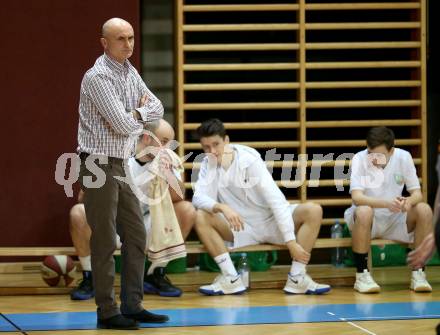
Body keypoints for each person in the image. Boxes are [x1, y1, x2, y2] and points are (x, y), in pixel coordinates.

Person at [77, 17, 168, 329]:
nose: (128, 44)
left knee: (136, 233)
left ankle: (132, 304)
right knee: (104, 239)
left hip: (120, 163)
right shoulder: (98, 77)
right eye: (120, 39)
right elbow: (123, 125)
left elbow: (158, 107)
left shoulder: (130, 72)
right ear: (104, 42)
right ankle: (106, 311)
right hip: (96, 163)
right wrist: (138, 115)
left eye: (130, 38)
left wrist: (136, 113)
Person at [192, 118, 331, 295]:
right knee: (201, 215)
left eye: (216, 144)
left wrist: (291, 242)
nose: (212, 151)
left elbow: (277, 201)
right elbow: (198, 198)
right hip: (241, 228)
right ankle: (230, 278)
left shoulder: (249, 159)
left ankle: (297, 277)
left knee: (313, 210)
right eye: (206, 147)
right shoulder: (207, 164)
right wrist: (222, 207)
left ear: (226, 140)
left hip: (272, 222)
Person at [71, 119, 196, 300]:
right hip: (114, 224)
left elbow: (179, 196)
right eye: (165, 141)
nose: (170, 147)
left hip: (147, 223)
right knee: (78, 213)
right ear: (146, 137)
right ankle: (90, 278)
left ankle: (155, 273)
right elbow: (83, 197)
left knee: (187, 210)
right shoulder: (115, 155)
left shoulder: (166, 160)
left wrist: (167, 173)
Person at [344, 126, 433, 294]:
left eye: (379, 155)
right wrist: (385, 204)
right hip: (367, 220)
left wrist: (408, 201)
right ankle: (362, 275)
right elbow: (357, 197)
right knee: (364, 211)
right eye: (370, 153)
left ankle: (419, 273)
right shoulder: (359, 158)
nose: (373, 159)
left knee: (424, 209)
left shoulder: (403, 157)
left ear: (391, 151)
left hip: (395, 219)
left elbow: (417, 193)